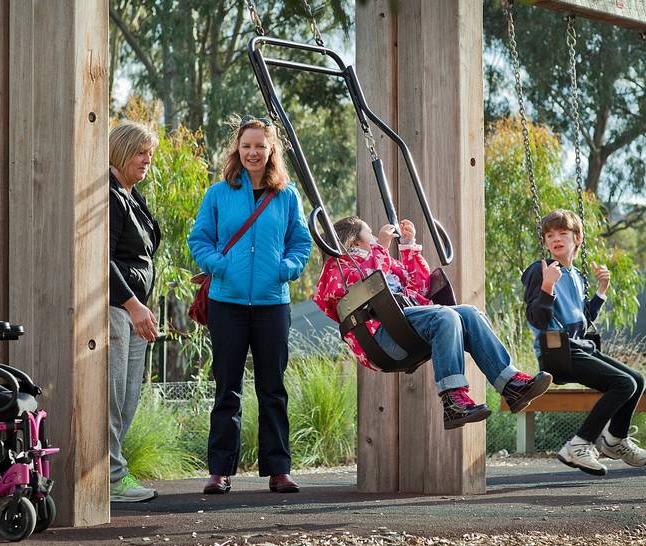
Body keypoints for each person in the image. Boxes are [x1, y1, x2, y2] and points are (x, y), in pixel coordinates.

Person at [314, 216, 552, 430]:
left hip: (407, 324)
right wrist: (381, 247)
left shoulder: (383, 261)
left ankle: (510, 384)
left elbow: (420, 286)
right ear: (355, 242)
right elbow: (340, 291)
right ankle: (453, 400)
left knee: (469, 313)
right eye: (371, 235)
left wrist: (408, 248)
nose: (377, 238)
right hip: (382, 337)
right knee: (445, 316)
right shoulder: (338, 268)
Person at [188, 116, 311, 495]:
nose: (253, 152)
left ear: (271, 149)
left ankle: (279, 470)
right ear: (237, 150)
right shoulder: (219, 194)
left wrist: (285, 269)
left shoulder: (288, 196)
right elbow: (199, 240)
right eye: (246, 146)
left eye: (260, 145)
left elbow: (301, 244)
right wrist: (219, 266)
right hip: (227, 303)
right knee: (228, 387)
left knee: (273, 387)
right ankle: (219, 471)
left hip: (274, 303)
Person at [522, 209, 646, 476]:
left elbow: (582, 319)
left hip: (578, 346)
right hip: (557, 351)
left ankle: (615, 439)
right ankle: (579, 444)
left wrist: (601, 292)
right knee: (623, 383)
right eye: (550, 235)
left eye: (563, 233)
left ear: (577, 238)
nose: (556, 239)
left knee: (637, 380)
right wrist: (547, 287)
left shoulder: (576, 275)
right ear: (545, 242)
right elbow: (537, 318)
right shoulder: (541, 270)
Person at [109, 120, 161, 502]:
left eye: (150, 154)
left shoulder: (132, 194)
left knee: (128, 398)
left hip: (135, 312)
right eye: (141, 152)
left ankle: (112, 472)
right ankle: (112, 477)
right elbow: (103, 258)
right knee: (112, 398)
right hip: (117, 310)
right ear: (122, 150)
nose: (147, 160)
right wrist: (133, 303)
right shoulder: (110, 194)